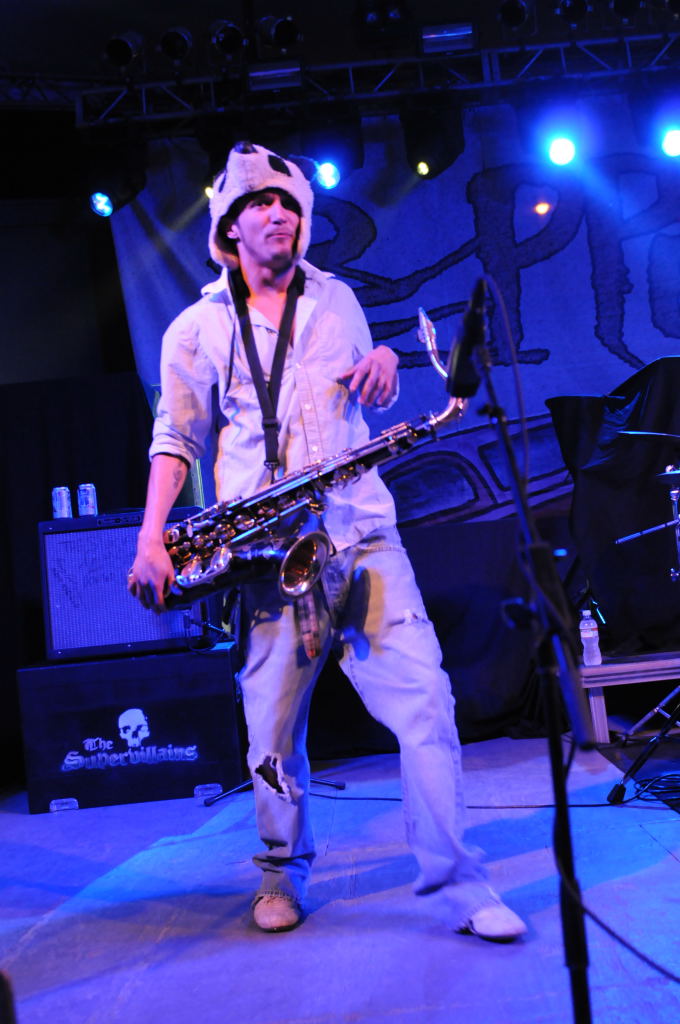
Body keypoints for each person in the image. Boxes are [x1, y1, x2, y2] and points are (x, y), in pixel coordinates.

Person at [128, 140, 526, 941]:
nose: (279, 214)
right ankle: (280, 874)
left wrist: (381, 361)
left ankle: (460, 882)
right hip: (270, 550)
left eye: (289, 203)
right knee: (272, 733)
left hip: (361, 531)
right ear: (229, 227)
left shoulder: (338, 298)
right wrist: (151, 540)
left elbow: (360, 392)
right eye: (260, 204)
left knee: (427, 703)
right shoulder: (195, 328)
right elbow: (175, 437)